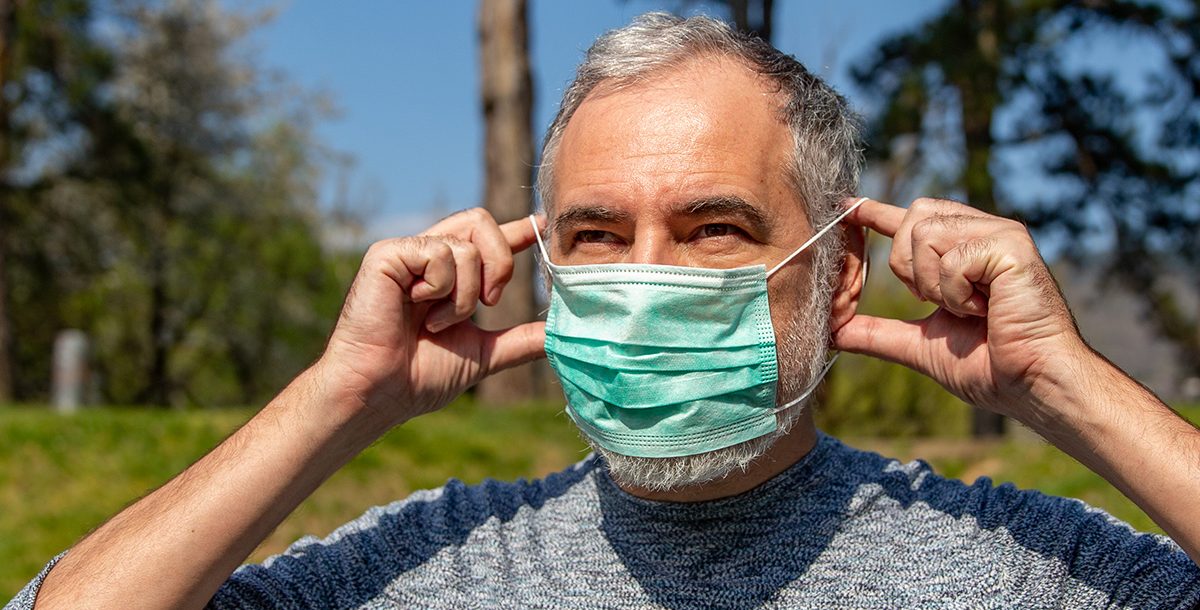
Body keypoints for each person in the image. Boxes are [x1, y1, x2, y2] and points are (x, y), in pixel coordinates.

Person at [9, 12, 1200, 610]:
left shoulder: (1009, 569)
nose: (648, 279)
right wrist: (339, 400)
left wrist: (1067, 386)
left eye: (712, 228)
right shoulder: (446, 563)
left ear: (840, 275)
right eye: (593, 236)